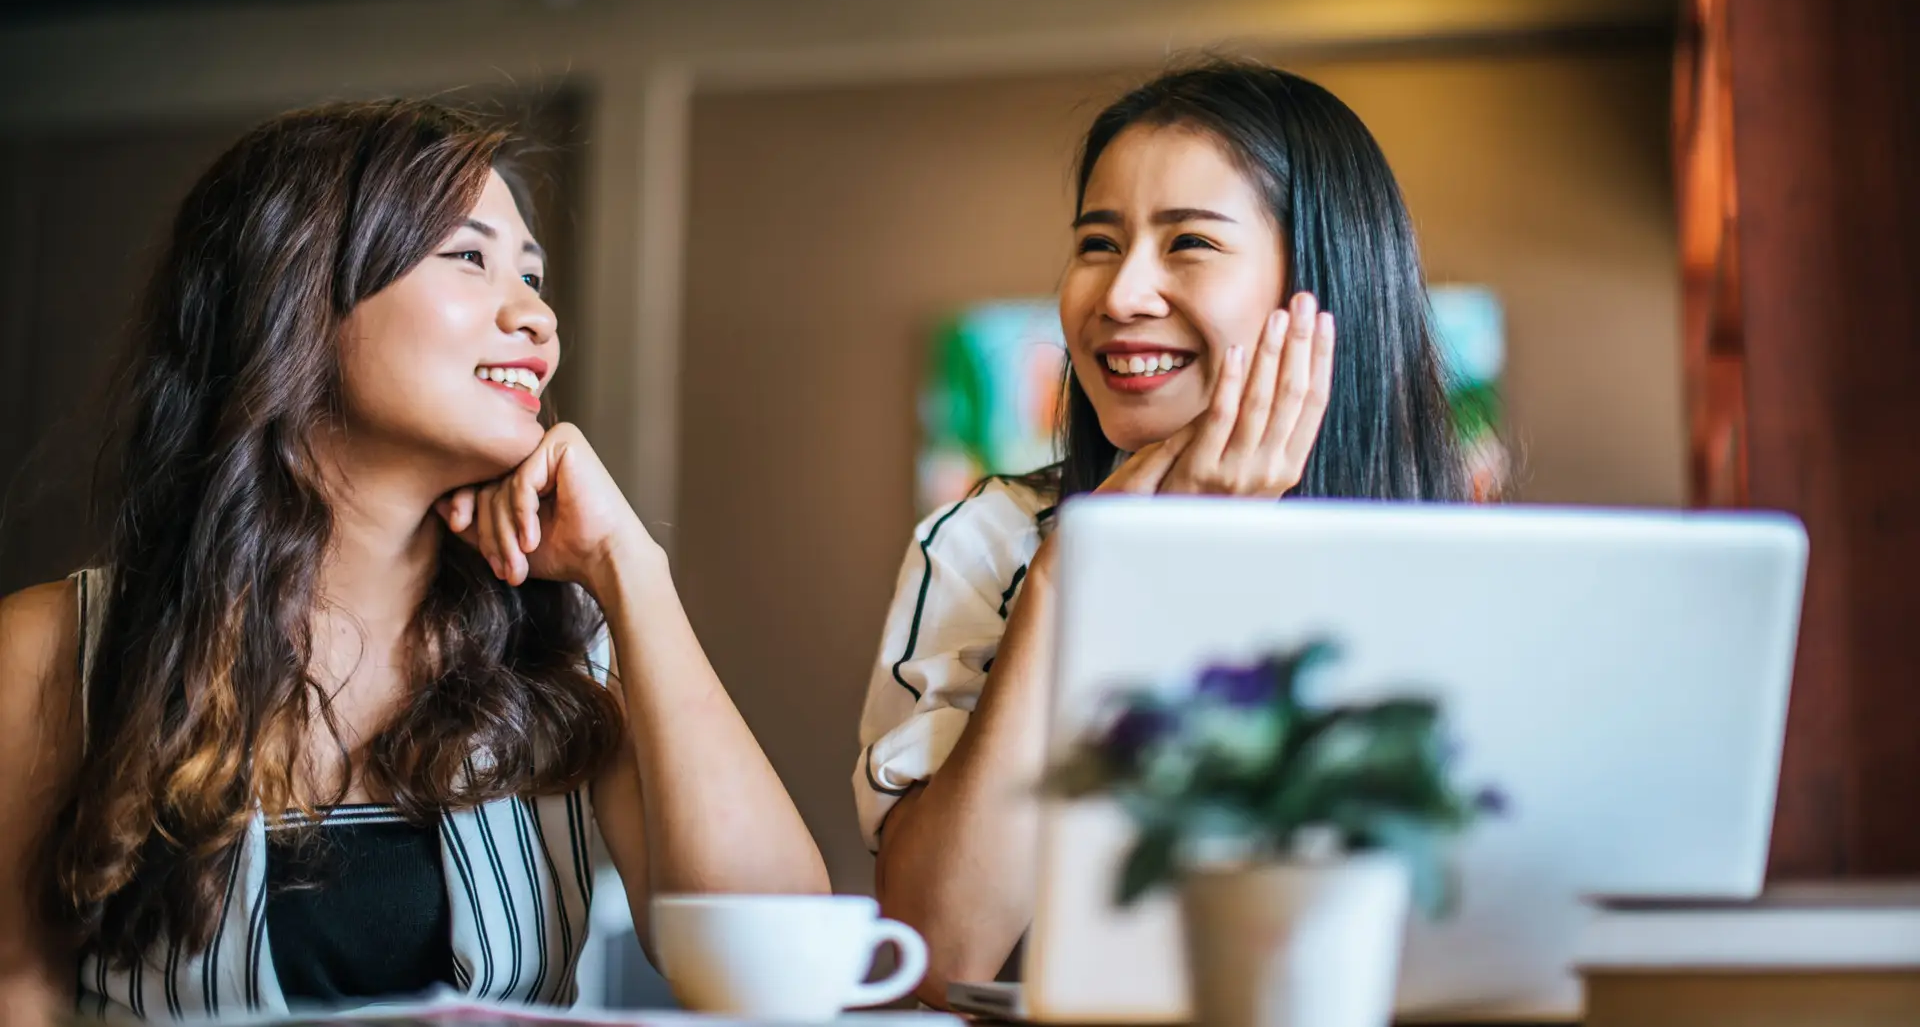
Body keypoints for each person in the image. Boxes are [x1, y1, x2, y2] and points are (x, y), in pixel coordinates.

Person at [0, 101, 828, 1021]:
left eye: (534, 275)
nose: (539, 316)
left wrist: (631, 569)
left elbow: (780, 985)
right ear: (300, 294)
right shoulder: (53, 652)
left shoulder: (566, 654)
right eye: (470, 258)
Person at [853, 60, 1470, 1006]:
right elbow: (937, 956)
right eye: (1098, 244)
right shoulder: (984, 543)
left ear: (1320, 287)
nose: (1122, 293)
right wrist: (1077, 578)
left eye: (1188, 243)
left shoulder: (1461, 570)